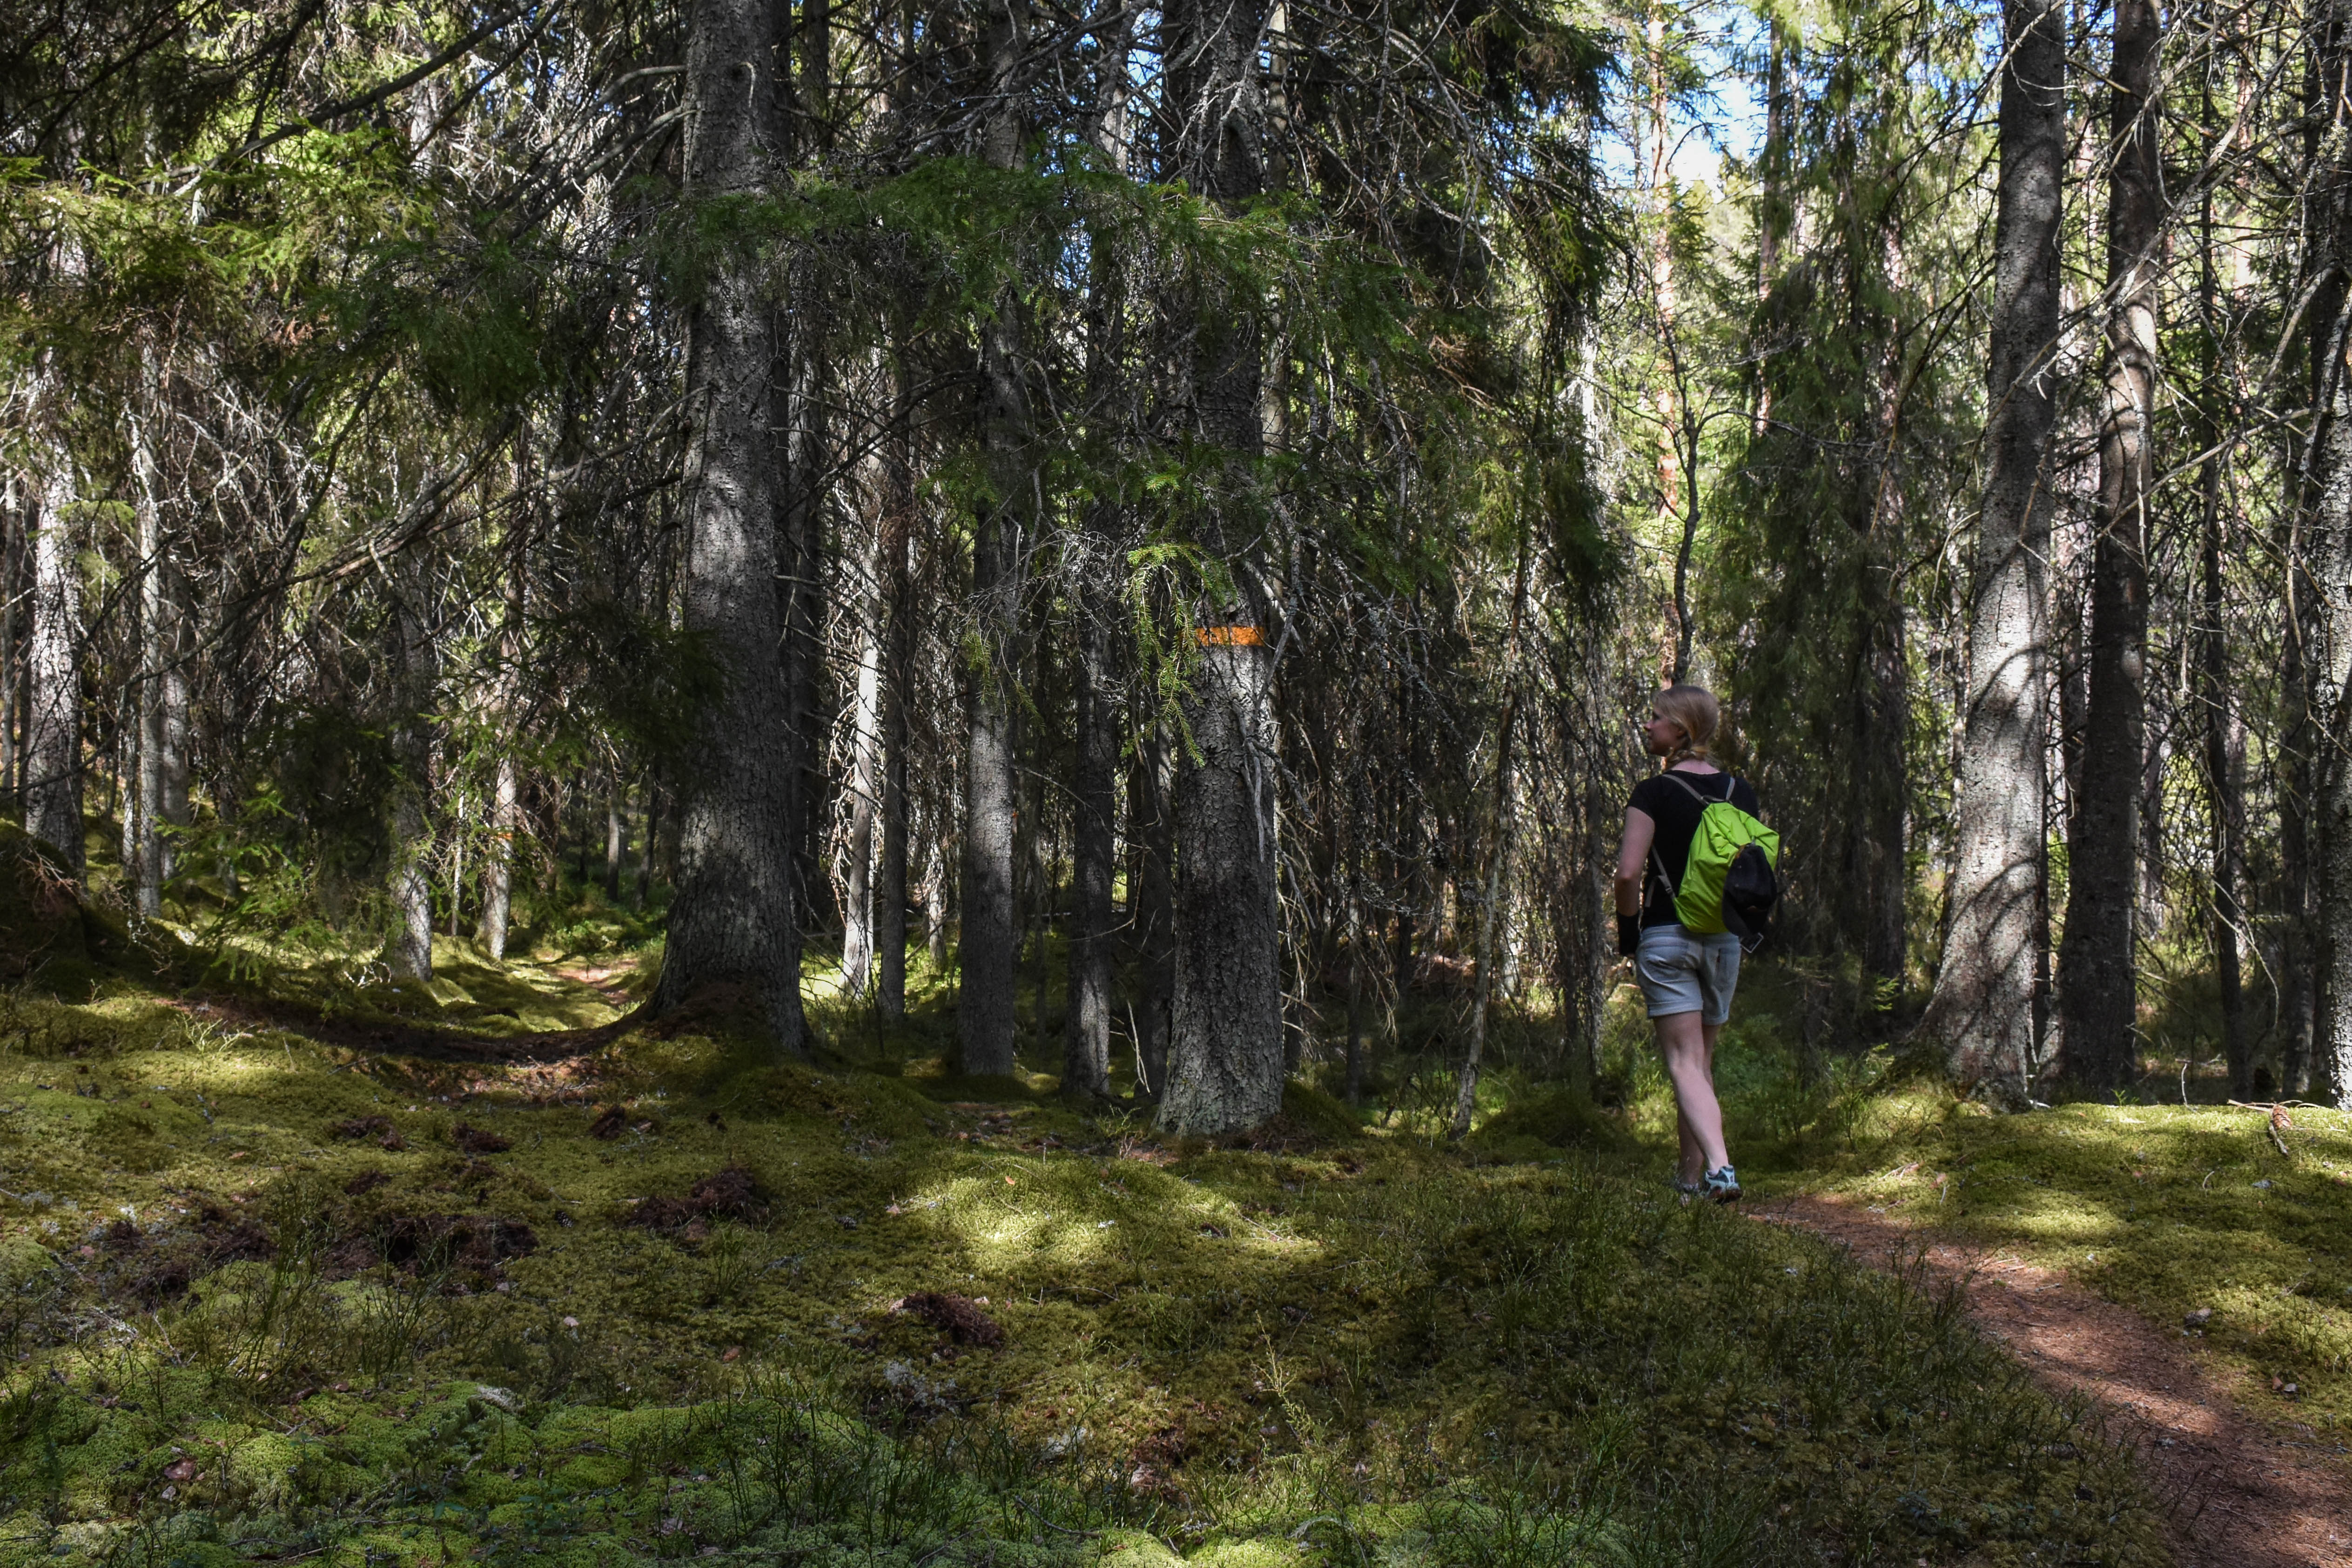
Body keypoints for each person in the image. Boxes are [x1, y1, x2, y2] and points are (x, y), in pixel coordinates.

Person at [1613, 684, 1758, 1203]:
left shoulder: (1652, 793)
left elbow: (1627, 873)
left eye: (1655, 718)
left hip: (1667, 937)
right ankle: (1690, 1182)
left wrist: (1628, 931)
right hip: (1723, 940)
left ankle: (1720, 1169)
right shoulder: (1741, 793)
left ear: (1680, 730)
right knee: (1699, 1065)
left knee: (1683, 1063)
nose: (1647, 725)